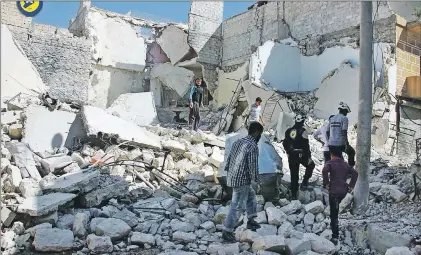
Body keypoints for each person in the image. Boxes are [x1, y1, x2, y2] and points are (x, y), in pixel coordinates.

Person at [222, 122, 264, 242]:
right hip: (242, 180)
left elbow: (229, 160)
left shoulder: (237, 142)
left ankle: (251, 220)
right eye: (260, 134)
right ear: (256, 132)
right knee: (237, 206)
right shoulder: (252, 146)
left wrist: (229, 174)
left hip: (232, 177)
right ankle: (227, 230)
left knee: (250, 196)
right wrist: (257, 180)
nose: (260, 136)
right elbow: (252, 166)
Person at [322, 146, 358, 246]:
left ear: (332, 154)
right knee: (336, 211)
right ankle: (334, 226)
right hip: (343, 190)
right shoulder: (345, 164)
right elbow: (355, 173)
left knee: (334, 214)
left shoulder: (330, 162)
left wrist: (326, 183)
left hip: (333, 190)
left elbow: (325, 170)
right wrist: (351, 186)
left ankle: (335, 236)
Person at [282, 114, 315, 200]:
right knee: (311, 165)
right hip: (301, 154)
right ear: (303, 122)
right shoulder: (303, 131)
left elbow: (284, 143)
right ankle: (304, 183)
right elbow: (306, 146)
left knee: (294, 175)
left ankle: (293, 195)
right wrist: (309, 157)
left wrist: (288, 152)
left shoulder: (288, 131)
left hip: (292, 155)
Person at [327, 102, 356, 167]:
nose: (346, 114)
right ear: (344, 110)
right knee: (352, 152)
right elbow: (344, 132)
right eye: (346, 112)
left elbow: (327, 131)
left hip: (331, 144)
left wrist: (329, 141)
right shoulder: (344, 118)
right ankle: (350, 169)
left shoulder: (332, 118)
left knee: (337, 161)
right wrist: (347, 144)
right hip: (340, 143)